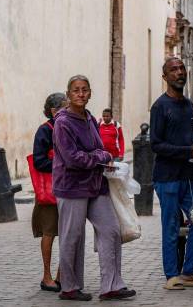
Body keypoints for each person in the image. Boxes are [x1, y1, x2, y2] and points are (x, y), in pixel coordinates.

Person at [53, 75, 135, 301]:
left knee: (111, 230)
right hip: (71, 186)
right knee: (72, 237)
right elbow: (72, 158)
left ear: (90, 93)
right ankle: (69, 287)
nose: (81, 94)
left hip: (95, 184)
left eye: (85, 90)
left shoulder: (89, 118)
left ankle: (111, 285)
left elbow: (99, 148)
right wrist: (101, 156)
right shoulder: (63, 122)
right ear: (68, 94)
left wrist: (101, 155)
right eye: (76, 90)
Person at [150, 57, 193, 290]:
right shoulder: (160, 106)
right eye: (173, 70)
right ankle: (171, 275)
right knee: (171, 227)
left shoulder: (189, 104)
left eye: (182, 68)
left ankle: (189, 272)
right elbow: (156, 144)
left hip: (190, 177)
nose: (179, 72)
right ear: (165, 77)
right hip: (167, 178)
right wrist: (187, 151)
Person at [32, 92, 67, 293]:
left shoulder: (67, 127)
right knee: (50, 232)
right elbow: (39, 160)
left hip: (67, 189)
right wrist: (62, 163)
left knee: (67, 233)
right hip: (50, 192)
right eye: (65, 107)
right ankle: (47, 277)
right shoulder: (44, 131)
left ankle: (62, 275)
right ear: (54, 111)